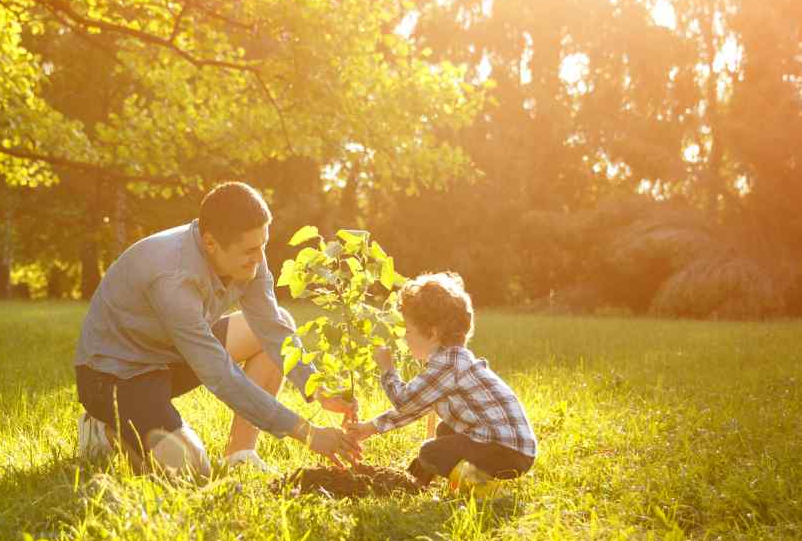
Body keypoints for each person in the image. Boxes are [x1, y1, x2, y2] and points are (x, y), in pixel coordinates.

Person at [74, 182, 360, 476]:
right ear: (210, 243)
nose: (260, 259)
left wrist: (319, 389)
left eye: (263, 244)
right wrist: (308, 433)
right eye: (250, 249)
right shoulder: (173, 277)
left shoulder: (249, 261)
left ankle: (240, 453)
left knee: (281, 320)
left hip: (168, 357)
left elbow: (273, 330)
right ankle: (104, 431)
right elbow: (220, 375)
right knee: (193, 469)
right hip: (115, 377)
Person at [344, 272, 537, 490]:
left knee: (431, 452)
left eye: (408, 330)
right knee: (446, 430)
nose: (405, 337)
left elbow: (404, 402)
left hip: (505, 451)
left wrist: (387, 369)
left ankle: (481, 489)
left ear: (433, 333)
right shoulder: (453, 360)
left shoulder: (447, 365)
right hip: (512, 449)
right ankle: (417, 482)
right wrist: (370, 428)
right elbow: (416, 407)